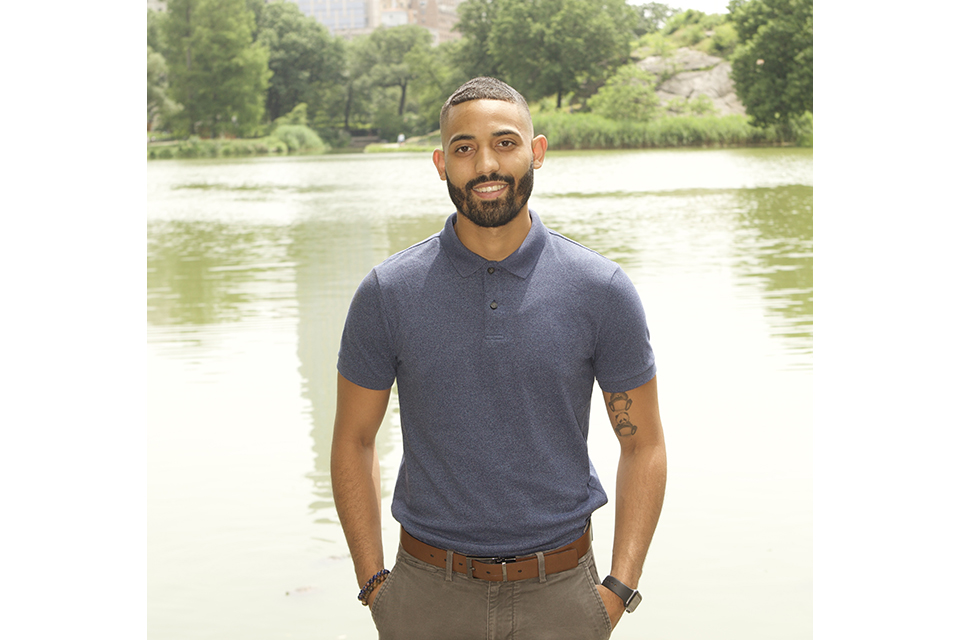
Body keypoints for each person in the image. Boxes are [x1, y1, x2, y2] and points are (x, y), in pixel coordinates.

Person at [331, 77, 666, 640]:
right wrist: (375, 586)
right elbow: (352, 441)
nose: (485, 164)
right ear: (441, 163)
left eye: (505, 143)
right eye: (464, 148)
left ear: (536, 152)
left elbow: (644, 443)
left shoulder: (600, 289)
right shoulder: (388, 292)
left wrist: (617, 591)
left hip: (562, 598)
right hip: (425, 597)